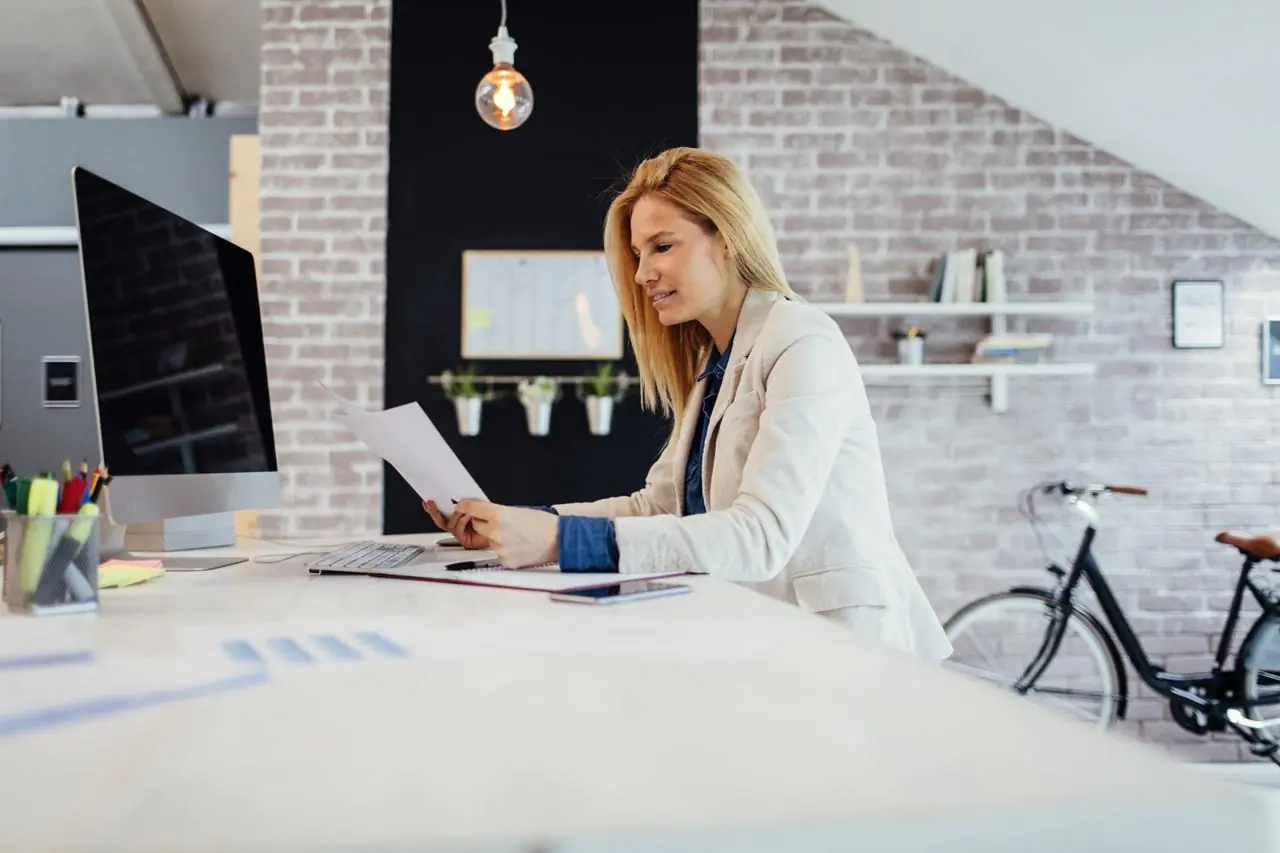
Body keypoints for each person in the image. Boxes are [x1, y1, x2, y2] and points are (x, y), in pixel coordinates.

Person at [426, 147, 951, 662]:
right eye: (637, 254)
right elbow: (655, 506)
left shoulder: (803, 340)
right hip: (764, 636)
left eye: (662, 246)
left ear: (725, 237)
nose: (640, 274)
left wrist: (557, 541)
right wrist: (515, 522)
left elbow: (761, 537)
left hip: (842, 647)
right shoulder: (716, 361)